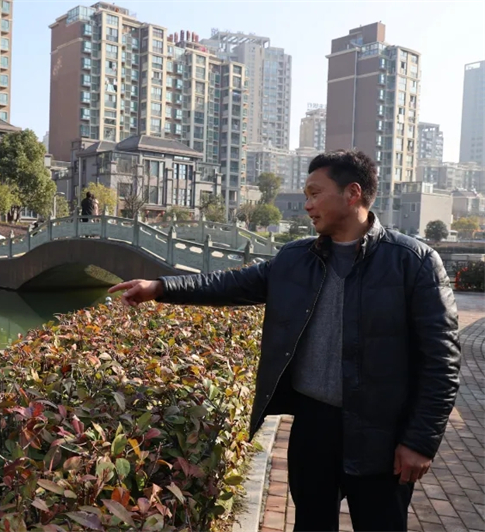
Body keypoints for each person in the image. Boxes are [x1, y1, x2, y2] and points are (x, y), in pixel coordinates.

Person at [109, 150, 461, 532]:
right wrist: (160, 287)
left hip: (381, 432)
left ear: (352, 193)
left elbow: (442, 361)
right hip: (313, 426)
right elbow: (231, 284)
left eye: (314, 193)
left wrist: (420, 441)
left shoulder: (413, 261)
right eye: (306, 195)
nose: (307, 205)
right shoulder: (297, 258)